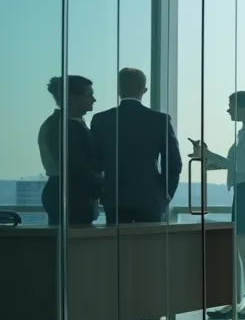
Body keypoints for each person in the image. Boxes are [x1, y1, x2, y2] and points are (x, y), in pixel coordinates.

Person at [194, 92, 245, 320]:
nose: (228, 110)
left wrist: (209, 154)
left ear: (244, 108)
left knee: (244, 248)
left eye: (231, 105)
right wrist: (209, 160)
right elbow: (239, 165)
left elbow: (241, 166)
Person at [91, 68, 182, 225]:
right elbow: (174, 163)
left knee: (116, 240)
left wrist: (103, 189)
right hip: (150, 198)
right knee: (149, 240)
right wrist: (165, 194)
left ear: (118, 89)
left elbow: (94, 161)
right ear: (144, 90)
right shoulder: (159, 120)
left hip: (115, 198)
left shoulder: (101, 120)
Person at [37, 75, 100, 226]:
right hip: (71, 195)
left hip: (72, 193)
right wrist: (102, 188)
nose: (94, 100)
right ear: (73, 97)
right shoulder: (61, 126)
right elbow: (76, 165)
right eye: (89, 95)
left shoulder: (68, 123)